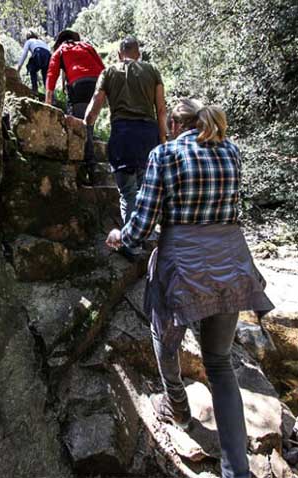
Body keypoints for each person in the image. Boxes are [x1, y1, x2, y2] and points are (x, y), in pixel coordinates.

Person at [106, 98, 274, 478]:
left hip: (183, 264)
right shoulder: (230, 151)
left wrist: (121, 236)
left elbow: (144, 223)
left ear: (173, 126)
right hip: (231, 261)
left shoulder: (164, 155)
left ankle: (177, 405)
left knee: (163, 336)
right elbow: (231, 206)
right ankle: (238, 472)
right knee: (219, 364)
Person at [85, 37, 167, 259]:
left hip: (122, 135)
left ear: (120, 54)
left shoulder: (109, 72)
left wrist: (86, 124)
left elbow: (96, 102)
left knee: (128, 192)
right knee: (145, 188)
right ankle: (145, 234)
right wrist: (163, 140)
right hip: (148, 135)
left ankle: (130, 245)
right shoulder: (152, 71)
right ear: (138, 54)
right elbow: (161, 109)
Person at [45, 30, 105, 183]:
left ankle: (89, 170)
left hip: (79, 86)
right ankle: (90, 166)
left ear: (60, 42)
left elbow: (51, 76)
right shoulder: (86, 46)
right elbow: (102, 67)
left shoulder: (61, 50)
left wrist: (47, 104)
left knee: (82, 128)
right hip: (98, 85)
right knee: (89, 124)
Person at [17, 29, 51, 94]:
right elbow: (48, 51)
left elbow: (24, 54)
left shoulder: (29, 41)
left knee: (31, 68)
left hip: (38, 53)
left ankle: (35, 89)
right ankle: (50, 95)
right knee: (45, 76)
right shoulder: (41, 41)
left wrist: (19, 68)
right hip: (48, 56)